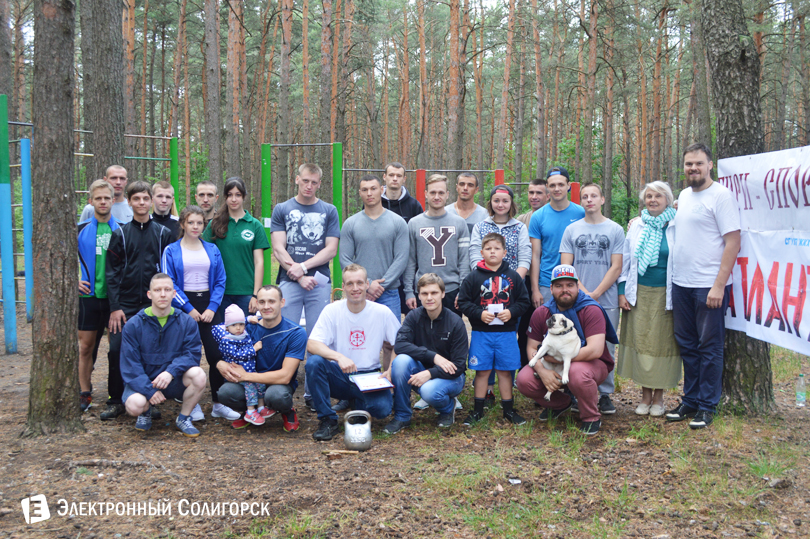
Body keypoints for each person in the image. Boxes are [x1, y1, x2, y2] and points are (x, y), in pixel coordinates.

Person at [666, 143, 740, 429]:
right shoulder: (684, 196)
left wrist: (719, 285)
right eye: (688, 164)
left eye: (698, 163)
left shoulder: (721, 196)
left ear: (710, 165)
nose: (693, 168)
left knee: (709, 347)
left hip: (708, 286)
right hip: (681, 283)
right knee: (687, 345)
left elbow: (733, 241)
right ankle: (691, 400)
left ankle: (708, 405)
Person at [515, 264, 618, 435]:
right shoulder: (542, 312)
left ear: (578, 286)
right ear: (551, 288)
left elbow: (595, 350)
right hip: (553, 364)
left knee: (576, 372)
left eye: (570, 285)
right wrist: (541, 370)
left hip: (591, 364)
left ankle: (591, 416)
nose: (565, 290)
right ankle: (561, 404)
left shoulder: (591, 309)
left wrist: (558, 359)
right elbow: (532, 347)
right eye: (559, 286)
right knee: (524, 380)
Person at [161, 205, 241, 421]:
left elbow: (220, 280)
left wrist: (212, 308)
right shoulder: (171, 250)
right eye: (191, 222)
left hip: (209, 306)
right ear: (183, 224)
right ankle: (191, 403)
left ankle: (218, 403)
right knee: (189, 356)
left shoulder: (212, 249)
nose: (195, 227)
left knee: (216, 354)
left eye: (199, 223)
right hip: (183, 308)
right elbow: (169, 283)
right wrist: (188, 309)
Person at [270, 163, 340, 411]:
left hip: (319, 283)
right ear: (296, 179)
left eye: (314, 182)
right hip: (289, 283)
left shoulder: (329, 210)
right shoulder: (283, 209)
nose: (309, 186)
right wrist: (298, 275)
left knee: (317, 337)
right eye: (305, 181)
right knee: (285, 335)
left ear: (320, 183)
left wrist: (304, 267)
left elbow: (330, 249)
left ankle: (314, 393)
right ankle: (281, 390)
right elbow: (279, 247)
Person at [103, 181, 174, 420]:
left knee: (150, 353)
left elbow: (167, 271)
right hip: (125, 307)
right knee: (116, 350)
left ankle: (148, 398)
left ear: (151, 200)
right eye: (137, 199)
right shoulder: (120, 234)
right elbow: (111, 274)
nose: (142, 203)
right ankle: (115, 399)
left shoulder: (163, 234)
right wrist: (115, 308)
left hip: (154, 306)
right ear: (129, 202)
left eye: (145, 198)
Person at [305, 264, 401, 441]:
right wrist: (339, 357)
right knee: (314, 363)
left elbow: (401, 343)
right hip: (340, 374)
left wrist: (391, 369)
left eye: (359, 283)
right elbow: (312, 344)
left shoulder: (381, 312)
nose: (355, 288)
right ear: (343, 287)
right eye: (350, 284)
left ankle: (358, 404)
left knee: (382, 410)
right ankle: (328, 420)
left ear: (367, 284)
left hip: (370, 376)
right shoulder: (332, 311)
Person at [559, 182, 624, 416]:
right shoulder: (572, 230)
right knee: (578, 343)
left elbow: (617, 266)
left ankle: (604, 393)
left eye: (594, 196)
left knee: (605, 346)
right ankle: (579, 391)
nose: (589, 200)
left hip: (606, 298)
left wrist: (596, 294)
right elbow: (566, 265)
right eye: (585, 196)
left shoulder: (615, 229)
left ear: (602, 199)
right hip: (577, 299)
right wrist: (584, 293)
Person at [617, 181, 680, 417]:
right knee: (642, 341)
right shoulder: (636, 225)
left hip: (668, 294)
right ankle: (644, 396)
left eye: (658, 196)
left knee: (662, 344)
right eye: (649, 196)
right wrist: (622, 290)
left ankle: (660, 398)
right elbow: (625, 260)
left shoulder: (677, 224)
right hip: (639, 291)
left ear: (668, 200)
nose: (653, 200)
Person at [120, 273, 207, 437]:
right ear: (149, 294)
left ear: (174, 294)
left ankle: (183, 418)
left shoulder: (186, 322)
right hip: (145, 381)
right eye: (157, 290)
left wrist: (170, 372)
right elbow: (130, 365)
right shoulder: (134, 325)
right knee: (134, 405)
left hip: (173, 380)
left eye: (167, 290)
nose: (162, 294)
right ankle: (145, 413)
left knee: (199, 375)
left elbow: (192, 355)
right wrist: (148, 390)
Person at [457, 233, 530, 426]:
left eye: (497, 248)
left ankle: (508, 410)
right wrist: (478, 314)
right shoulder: (473, 277)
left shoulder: (513, 276)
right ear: (481, 252)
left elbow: (524, 302)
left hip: (506, 334)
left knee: (505, 371)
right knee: (482, 371)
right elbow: (463, 302)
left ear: (504, 252)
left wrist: (512, 312)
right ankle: (477, 410)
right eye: (488, 249)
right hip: (482, 334)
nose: (492, 252)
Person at [469, 185, 532, 405]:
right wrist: (481, 278)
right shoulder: (480, 226)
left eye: (505, 201)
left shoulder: (519, 227)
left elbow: (525, 255)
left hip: (510, 290)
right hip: (485, 288)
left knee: (507, 334)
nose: (501, 204)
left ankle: (507, 382)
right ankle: (488, 389)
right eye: (496, 200)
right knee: (486, 337)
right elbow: (474, 253)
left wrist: (513, 280)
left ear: (511, 203)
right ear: (491, 203)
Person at [384, 274, 468, 434]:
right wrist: (433, 357)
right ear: (419, 295)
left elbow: (458, 366)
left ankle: (447, 409)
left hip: (451, 377)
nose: (429, 298)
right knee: (400, 361)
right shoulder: (413, 317)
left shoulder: (455, 322)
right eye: (424, 293)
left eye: (434, 293)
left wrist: (430, 373)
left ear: (443, 294)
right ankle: (402, 415)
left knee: (429, 391)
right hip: (422, 369)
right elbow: (400, 344)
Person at [218, 285, 307, 431]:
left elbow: (285, 376)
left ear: (282, 302)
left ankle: (286, 411)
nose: (266, 306)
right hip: (250, 384)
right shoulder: (246, 328)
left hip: (277, 384)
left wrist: (246, 375)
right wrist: (219, 363)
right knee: (225, 393)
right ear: (257, 304)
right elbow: (225, 345)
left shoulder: (295, 332)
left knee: (277, 396)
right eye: (262, 302)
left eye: (272, 301)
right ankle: (250, 411)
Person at [339, 174, 409, 324]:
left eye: (373, 189)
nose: (369, 193)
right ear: (359, 193)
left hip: (389, 293)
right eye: (364, 190)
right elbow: (344, 259)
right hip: (359, 293)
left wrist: (378, 287)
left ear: (382, 190)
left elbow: (402, 258)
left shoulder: (398, 222)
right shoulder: (350, 224)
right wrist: (366, 285)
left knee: (391, 342)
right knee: (359, 339)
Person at [77, 179, 121, 411]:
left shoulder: (122, 228)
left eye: (107, 198)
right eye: (98, 198)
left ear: (113, 200)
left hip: (115, 299)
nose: (103, 202)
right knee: (86, 347)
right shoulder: (79, 229)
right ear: (91, 201)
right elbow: (64, 261)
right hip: (88, 298)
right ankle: (84, 391)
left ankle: (117, 393)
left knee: (116, 348)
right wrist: (74, 280)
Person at [203, 177, 270, 317]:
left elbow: (259, 262)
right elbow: (205, 256)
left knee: (245, 334)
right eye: (230, 195)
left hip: (246, 293)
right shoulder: (215, 224)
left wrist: (255, 294)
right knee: (221, 335)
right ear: (225, 197)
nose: (234, 199)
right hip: (219, 292)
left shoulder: (254, 225)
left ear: (244, 196)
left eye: (238, 195)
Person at [403, 174, 470, 315]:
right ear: (426, 194)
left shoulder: (459, 223)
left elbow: (464, 260)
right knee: (423, 334)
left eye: (440, 193)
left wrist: (463, 290)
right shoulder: (414, 224)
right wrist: (409, 291)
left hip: (451, 289)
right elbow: (409, 261)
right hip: (423, 289)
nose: (436, 197)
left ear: (447, 195)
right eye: (432, 192)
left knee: (450, 334)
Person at [528, 166, 585, 309]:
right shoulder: (538, 217)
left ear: (569, 186)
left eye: (561, 184)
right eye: (552, 185)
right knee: (548, 327)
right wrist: (535, 290)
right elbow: (535, 256)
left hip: (577, 281)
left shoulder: (581, 213)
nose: (557, 189)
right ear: (547, 187)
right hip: (547, 282)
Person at [380, 162, 424, 316]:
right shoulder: (375, 204)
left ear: (404, 179)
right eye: (391, 175)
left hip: (408, 272)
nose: (394, 179)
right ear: (384, 177)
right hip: (383, 270)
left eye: (398, 175)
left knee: (413, 317)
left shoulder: (414, 205)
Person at [212, 305, 267, 425]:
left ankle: (261, 408)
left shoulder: (242, 333)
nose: (238, 328)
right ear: (227, 327)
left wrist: (248, 319)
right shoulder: (226, 340)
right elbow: (237, 355)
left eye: (241, 324)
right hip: (237, 372)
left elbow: (240, 320)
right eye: (234, 325)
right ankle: (251, 411)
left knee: (260, 383)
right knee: (250, 387)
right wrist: (254, 349)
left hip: (249, 370)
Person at [516, 178, 549, 369]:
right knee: (525, 326)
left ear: (547, 195)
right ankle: (524, 366)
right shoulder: (522, 220)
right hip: (526, 280)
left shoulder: (553, 216)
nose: (534, 197)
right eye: (531, 192)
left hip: (547, 279)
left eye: (539, 193)